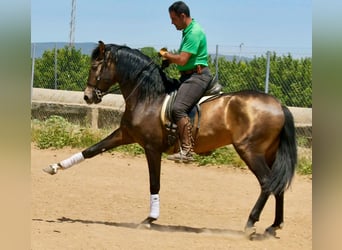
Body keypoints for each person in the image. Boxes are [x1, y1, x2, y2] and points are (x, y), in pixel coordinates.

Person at [159, 1, 212, 162]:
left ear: (182, 16)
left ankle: (187, 150)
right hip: (189, 76)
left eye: (173, 19)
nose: (172, 22)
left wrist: (167, 55)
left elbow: (182, 59)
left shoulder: (194, 32)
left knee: (178, 108)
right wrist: (169, 61)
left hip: (197, 77)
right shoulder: (187, 30)